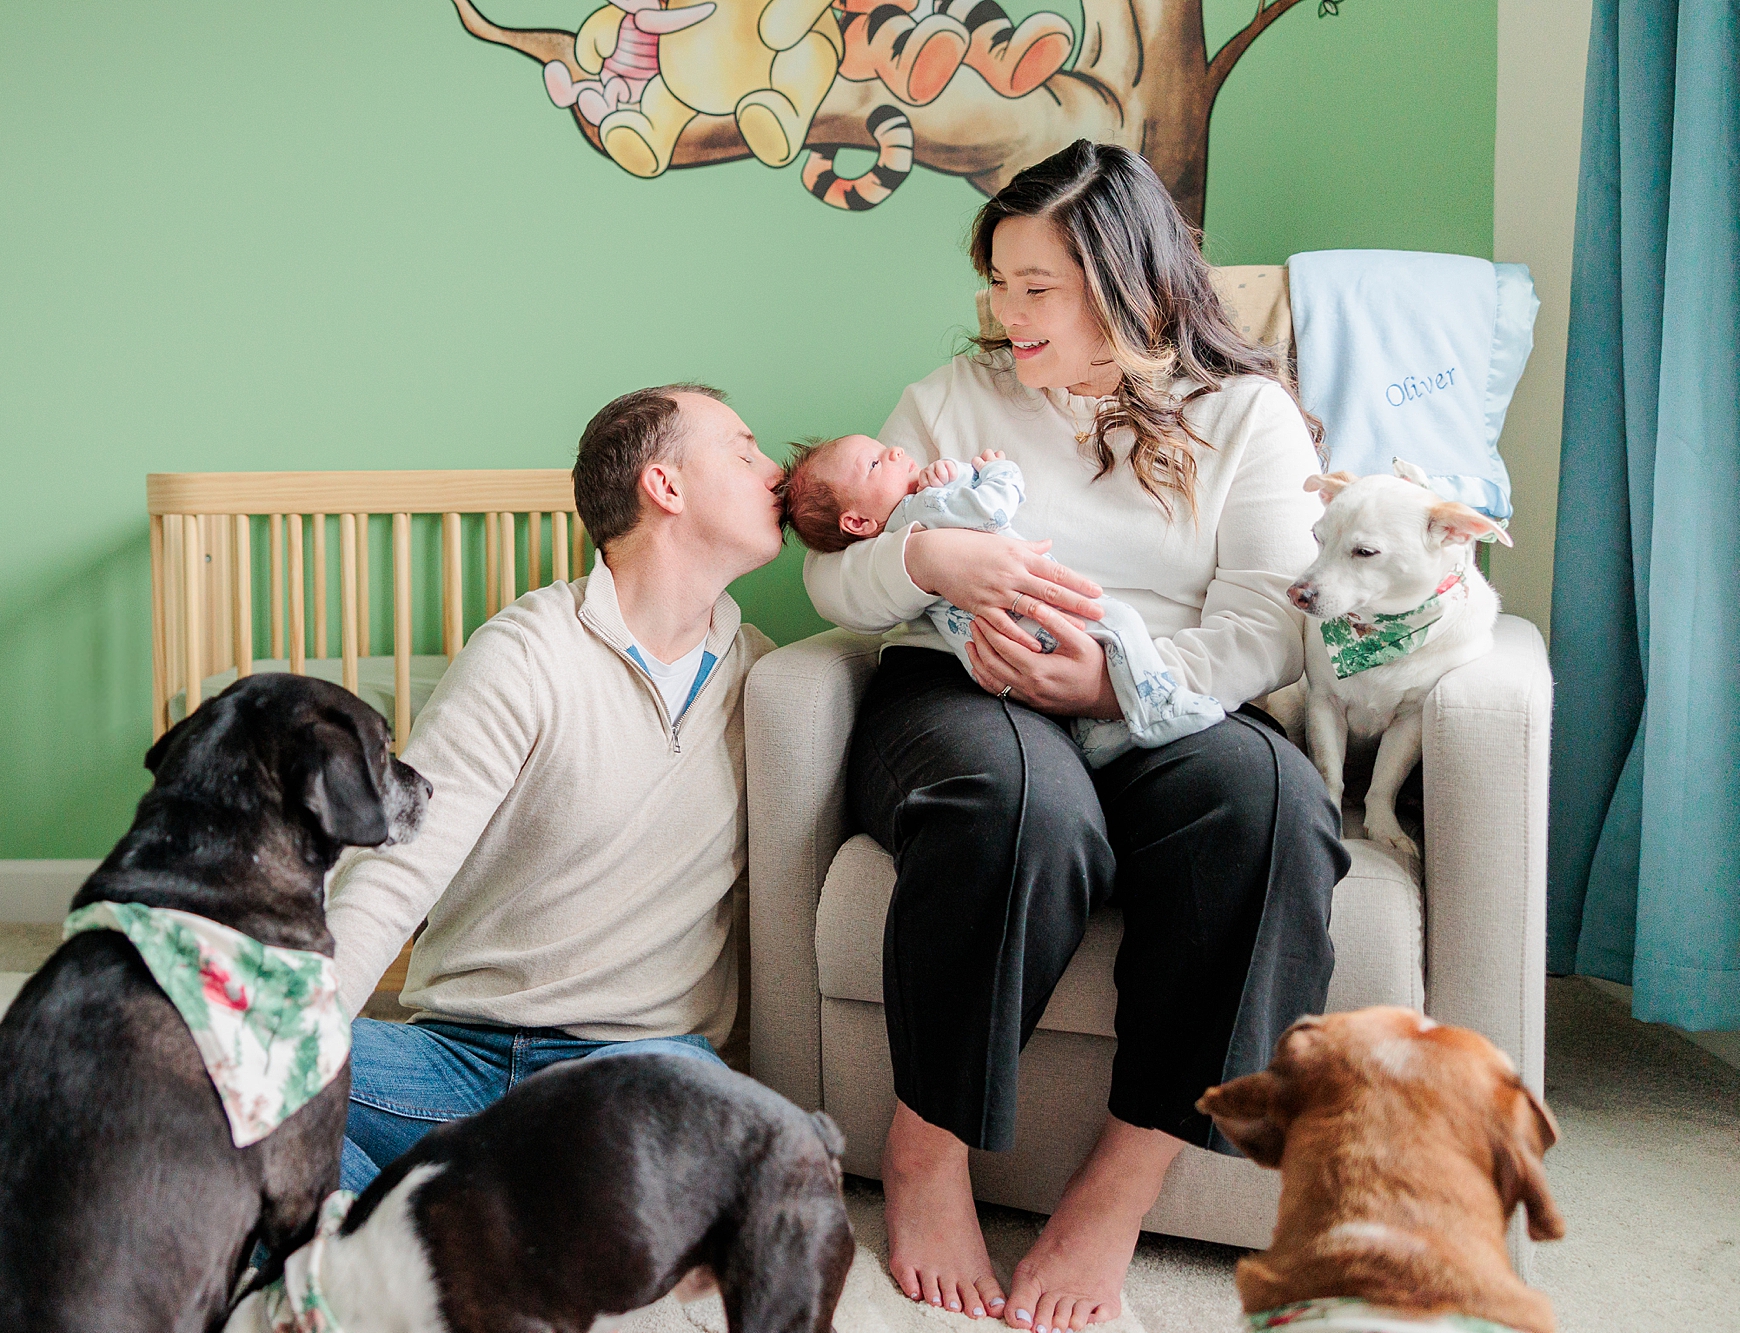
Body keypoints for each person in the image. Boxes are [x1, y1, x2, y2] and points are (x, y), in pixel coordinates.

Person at [802, 141, 1351, 1331]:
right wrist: (919, 556)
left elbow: (1265, 622)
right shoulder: (952, 400)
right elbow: (832, 586)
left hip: (1161, 696)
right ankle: (926, 1152)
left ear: (1125, 278)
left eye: (1034, 285)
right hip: (963, 690)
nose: (1005, 312)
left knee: (1274, 810)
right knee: (1018, 808)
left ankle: (1116, 1187)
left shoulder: (1244, 414)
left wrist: (1110, 686)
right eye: (997, 282)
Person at [324, 383, 783, 1192]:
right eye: (744, 451)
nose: (774, 470)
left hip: (633, 1072)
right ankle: (378, 1247)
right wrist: (297, 1043)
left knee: (687, 1144)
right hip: (454, 1059)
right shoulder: (526, 651)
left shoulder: (766, 679)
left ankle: (421, 1223)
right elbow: (397, 866)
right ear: (665, 486)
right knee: (205, 1073)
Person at [775, 436, 1226, 765]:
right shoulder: (921, 508)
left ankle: (1098, 730)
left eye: (881, 447)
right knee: (1121, 622)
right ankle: (1159, 707)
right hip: (1025, 615)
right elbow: (990, 509)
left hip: (991, 649)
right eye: (874, 464)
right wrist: (996, 470)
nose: (892, 451)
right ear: (856, 523)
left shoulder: (899, 526)